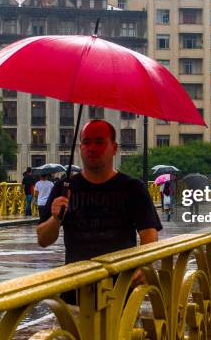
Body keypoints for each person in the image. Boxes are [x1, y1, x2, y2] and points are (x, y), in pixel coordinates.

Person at [36, 120, 162, 300]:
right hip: (75, 290)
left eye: (99, 142)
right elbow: (43, 239)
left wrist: (144, 264)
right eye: (86, 142)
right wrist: (55, 219)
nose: (92, 148)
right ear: (80, 148)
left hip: (120, 293)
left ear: (114, 148)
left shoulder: (133, 188)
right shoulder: (64, 188)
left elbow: (149, 235)